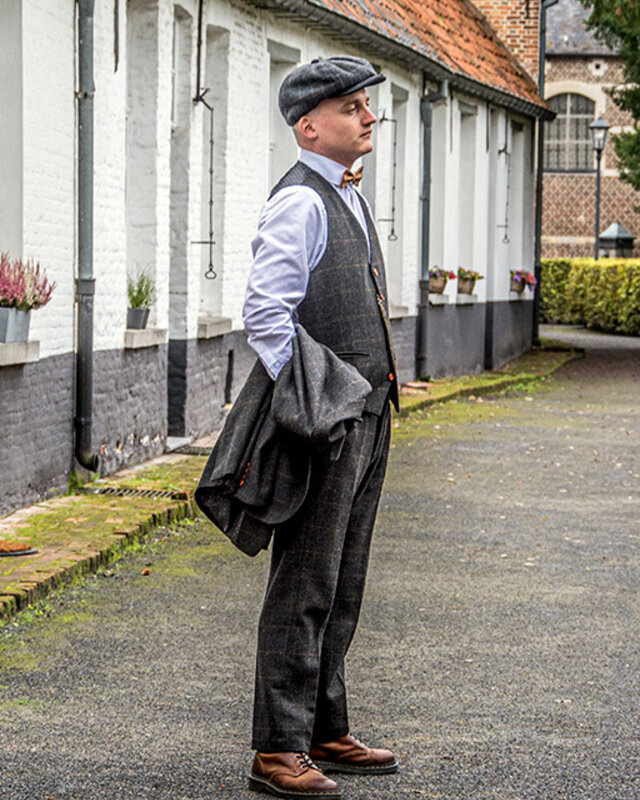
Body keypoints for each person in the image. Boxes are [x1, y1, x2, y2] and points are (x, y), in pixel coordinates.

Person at [242, 55, 400, 800]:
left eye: (367, 105)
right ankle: (278, 749)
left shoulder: (348, 196)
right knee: (304, 582)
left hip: (372, 416)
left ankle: (325, 727)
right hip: (329, 421)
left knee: (343, 581)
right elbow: (265, 316)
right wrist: (319, 401)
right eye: (350, 107)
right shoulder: (301, 202)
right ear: (309, 126)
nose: (368, 116)